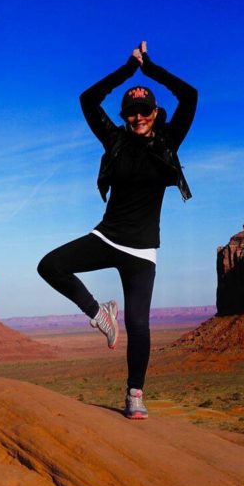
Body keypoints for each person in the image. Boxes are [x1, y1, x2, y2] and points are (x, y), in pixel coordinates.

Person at [37, 41, 197, 419]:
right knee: (50, 266)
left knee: (139, 324)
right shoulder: (115, 139)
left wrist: (151, 68)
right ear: (124, 116)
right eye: (131, 114)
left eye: (144, 112)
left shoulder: (169, 140)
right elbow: (88, 100)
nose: (138, 118)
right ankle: (98, 313)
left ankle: (135, 395)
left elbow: (190, 95)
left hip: (141, 252)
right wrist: (128, 69)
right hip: (106, 238)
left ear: (155, 113)